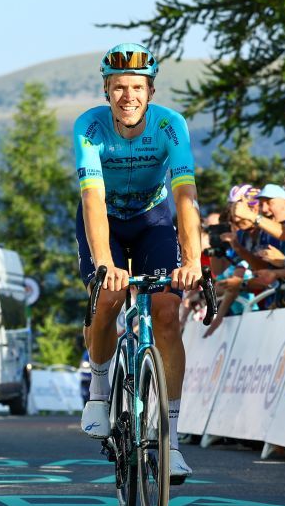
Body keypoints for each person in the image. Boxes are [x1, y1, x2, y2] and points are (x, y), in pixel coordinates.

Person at [74, 43, 204, 481]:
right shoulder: (89, 127)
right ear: (106, 90)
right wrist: (106, 262)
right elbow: (92, 200)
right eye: (118, 88)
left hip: (153, 220)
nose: (127, 96)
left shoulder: (171, 126)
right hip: (104, 220)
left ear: (150, 91)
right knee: (109, 299)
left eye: (136, 87)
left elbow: (186, 195)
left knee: (167, 312)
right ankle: (98, 390)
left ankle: (169, 439)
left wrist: (194, 258)